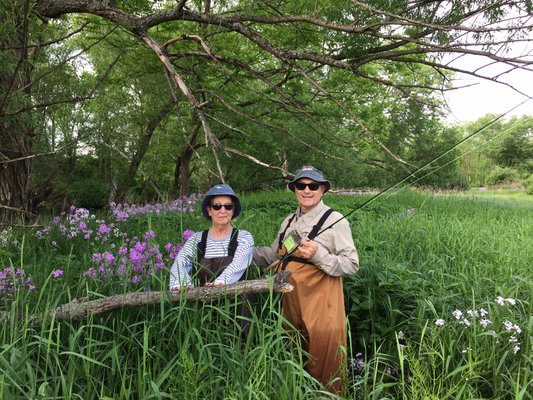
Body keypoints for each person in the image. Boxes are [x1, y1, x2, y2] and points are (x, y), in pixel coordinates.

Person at [253, 166, 359, 395]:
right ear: (294, 190)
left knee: (325, 355)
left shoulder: (336, 220)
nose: (307, 190)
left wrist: (318, 254)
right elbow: (274, 255)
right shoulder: (288, 221)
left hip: (322, 299)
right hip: (290, 298)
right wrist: (242, 251)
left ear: (322, 190)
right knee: (293, 351)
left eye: (313, 186)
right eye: (301, 185)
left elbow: (351, 264)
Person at [169, 183, 254, 290]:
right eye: (217, 206)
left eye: (228, 206)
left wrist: (220, 283)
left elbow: (238, 264)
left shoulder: (244, 237)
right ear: (209, 210)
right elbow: (180, 263)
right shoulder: (196, 239)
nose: (222, 211)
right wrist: (181, 284)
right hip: (205, 303)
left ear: (232, 210)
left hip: (239, 303)